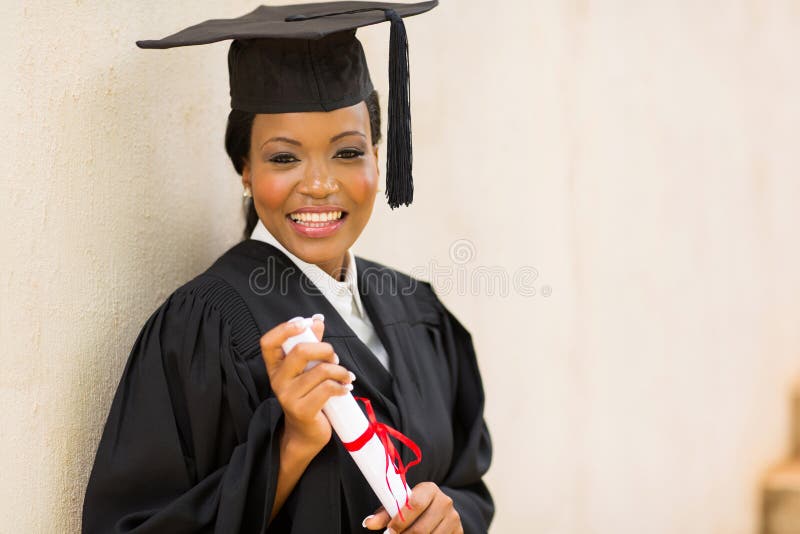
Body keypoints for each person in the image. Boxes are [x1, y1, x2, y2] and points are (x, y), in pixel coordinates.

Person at [82, 2, 493, 533]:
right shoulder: (205, 329)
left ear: (378, 155)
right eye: (284, 158)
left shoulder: (418, 310)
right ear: (245, 170)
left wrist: (450, 518)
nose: (320, 184)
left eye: (347, 152)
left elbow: (469, 485)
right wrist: (293, 445)